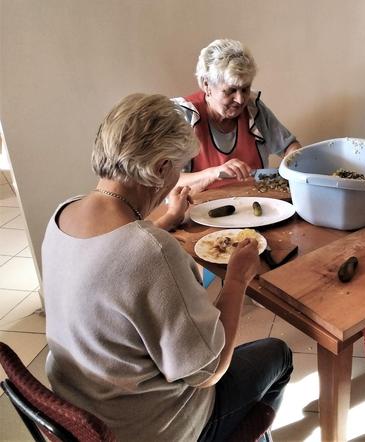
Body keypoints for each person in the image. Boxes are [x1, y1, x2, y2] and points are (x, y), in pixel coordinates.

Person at [41, 93, 293, 441]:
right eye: (178, 167)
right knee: (277, 354)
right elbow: (209, 371)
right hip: (150, 428)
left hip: (79, 409)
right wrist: (236, 279)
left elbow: (112, 262)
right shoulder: (152, 253)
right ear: (160, 169)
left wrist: (167, 220)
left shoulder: (63, 214)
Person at [173, 38, 301, 192]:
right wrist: (213, 173)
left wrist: (290, 170)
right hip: (198, 210)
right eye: (231, 90)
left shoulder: (254, 109)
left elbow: (291, 147)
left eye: (245, 89)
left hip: (254, 205)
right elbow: (167, 182)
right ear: (206, 84)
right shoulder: (184, 115)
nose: (240, 100)